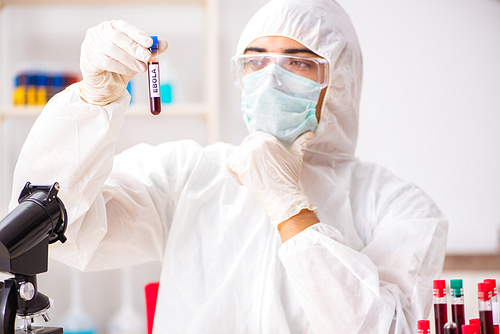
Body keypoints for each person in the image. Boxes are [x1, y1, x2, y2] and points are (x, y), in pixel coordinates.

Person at [10, 0, 448, 332]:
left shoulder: (399, 206)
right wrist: (92, 104)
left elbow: (388, 326)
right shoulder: (188, 175)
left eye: (297, 61)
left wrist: (292, 211)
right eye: (256, 60)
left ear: (341, 81)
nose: (270, 78)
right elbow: (59, 230)